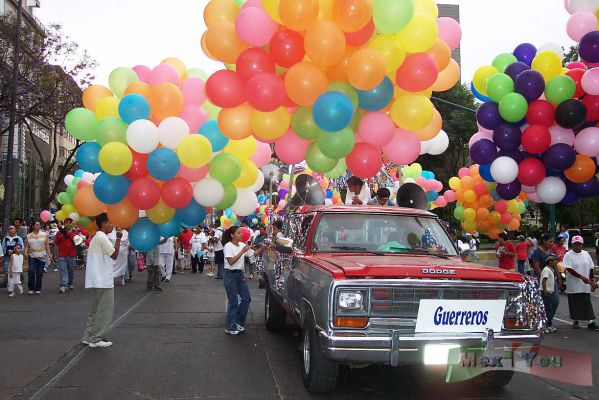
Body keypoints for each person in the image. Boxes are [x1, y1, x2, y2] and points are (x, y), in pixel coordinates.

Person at [82, 213, 123, 348]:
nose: (112, 225)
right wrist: (118, 239)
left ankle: (89, 336)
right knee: (104, 310)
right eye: (110, 222)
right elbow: (114, 255)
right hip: (103, 280)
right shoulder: (101, 237)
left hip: (96, 279)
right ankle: (96, 338)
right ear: (104, 223)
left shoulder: (96, 237)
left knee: (95, 310)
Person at [564, 236, 599, 331]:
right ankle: (576, 320)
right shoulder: (568, 255)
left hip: (585, 283)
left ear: (582, 244)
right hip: (574, 283)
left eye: (579, 244)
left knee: (586, 302)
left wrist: (592, 279)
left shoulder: (586, 254)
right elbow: (569, 268)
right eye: (575, 244)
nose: (577, 246)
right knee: (575, 302)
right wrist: (581, 277)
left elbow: (591, 267)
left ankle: (590, 321)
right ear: (572, 244)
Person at [223, 226, 253, 335]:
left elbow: (253, 254)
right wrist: (242, 252)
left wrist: (264, 248)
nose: (241, 235)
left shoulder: (243, 245)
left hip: (240, 275)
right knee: (233, 301)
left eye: (241, 233)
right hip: (230, 275)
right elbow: (231, 261)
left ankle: (239, 322)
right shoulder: (228, 246)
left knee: (246, 298)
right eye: (238, 233)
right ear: (232, 235)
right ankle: (230, 327)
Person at [24, 221, 51, 295]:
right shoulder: (28, 236)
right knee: (31, 271)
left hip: (42, 256)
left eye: (39, 224)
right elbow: (27, 246)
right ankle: (31, 288)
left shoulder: (44, 235)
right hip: (32, 255)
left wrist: (49, 254)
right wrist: (25, 253)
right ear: (33, 226)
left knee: (39, 273)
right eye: (36, 224)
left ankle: (38, 288)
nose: (38, 226)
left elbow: (47, 245)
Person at [54, 218, 78, 293]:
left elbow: (79, 242)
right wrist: (55, 254)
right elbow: (56, 244)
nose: (68, 224)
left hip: (72, 254)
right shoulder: (59, 233)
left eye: (69, 222)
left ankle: (71, 283)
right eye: (66, 222)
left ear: (72, 224)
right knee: (63, 269)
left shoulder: (75, 233)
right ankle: (63, 285)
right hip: (62, 254)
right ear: (64, 224)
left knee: (71, 270)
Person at [540, 253, 560, 333]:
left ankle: (547, 323)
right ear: (550, 261)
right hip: (547, 292)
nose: (556, 262)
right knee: (549, 308)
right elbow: (544, 280)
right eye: (554, 260)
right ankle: (547, 324)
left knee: (550, 307)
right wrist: (545, 291)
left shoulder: (550, 269)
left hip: (550, 291)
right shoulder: (546, 270)